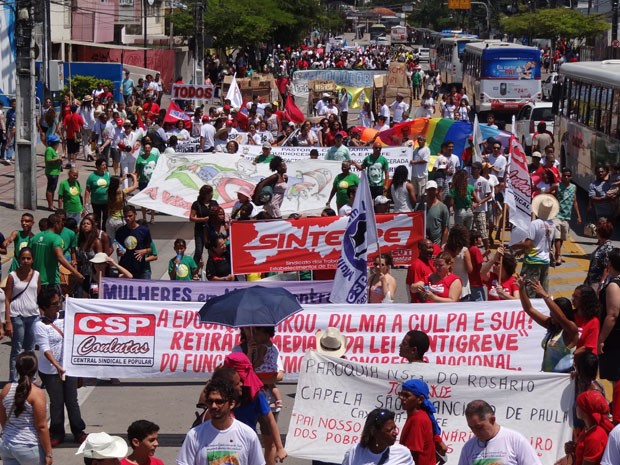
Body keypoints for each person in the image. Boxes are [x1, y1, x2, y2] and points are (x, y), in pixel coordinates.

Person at [34, 287, 87, 447]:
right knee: (57, 402)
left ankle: (78, 431)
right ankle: (57, 432)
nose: (59, 306)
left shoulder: (66, 317)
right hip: (50, 372)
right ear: (44, 308)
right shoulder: (39, 325)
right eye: (55, 304)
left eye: (60, 302)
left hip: (69, 368)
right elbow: (45, 348)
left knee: (72, 401)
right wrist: (57, 366)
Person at [178, 379, 266, 465]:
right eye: (210, 401)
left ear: (231, 404)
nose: (213, 406)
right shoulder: (194, 435)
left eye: (219, 402)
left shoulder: (248, 435)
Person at [0, 352, 53, 465]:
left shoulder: (6, 389)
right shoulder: (37, 393)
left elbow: (3, 419)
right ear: (35, 369)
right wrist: (48, 453)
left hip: (7, 445)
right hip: (29, 447)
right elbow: (41, 426)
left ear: (17, 368)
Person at [518, 275, 577, 372]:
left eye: (553, 313)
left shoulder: (571, 330)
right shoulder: (551, 324)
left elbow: (561, 317)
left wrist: (545, 295)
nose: (550, 315)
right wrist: (521, 289)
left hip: (563, 380)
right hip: (549, 378)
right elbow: (529, 309)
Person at [458, 400, 542, 465]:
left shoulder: (515, 440)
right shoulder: (468, 447)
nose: (475, 432)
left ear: (492, 420)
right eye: (471, 427)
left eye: (479, 427)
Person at [3, 248, 41, 382]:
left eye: (28, 258)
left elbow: (37, 294)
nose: (25, 261)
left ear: (32, 260)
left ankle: (29, 378)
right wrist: (7, 321)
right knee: (17, 350)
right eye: (23, 258)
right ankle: (14, 380)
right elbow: (6, 299)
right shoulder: (13, 276)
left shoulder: (36, 275)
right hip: (16, 316)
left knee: (30, 349)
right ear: (19, 259)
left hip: (33, 316)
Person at [511, 194, 558, 297]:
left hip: (533, 261)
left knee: (529, 291)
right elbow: (541, 243)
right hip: (545, 260)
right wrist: (522, 251)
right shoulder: (552, 225)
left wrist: (513, 245)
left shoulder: (535, 224)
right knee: (542, 290)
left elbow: (529, 244)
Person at [341, 408, 413, 465]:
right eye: (390, 430)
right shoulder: (356, 451)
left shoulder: (402, 454)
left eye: (395, 428)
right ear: (375, 432)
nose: (395, 433)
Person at [399, 379, 446, 465]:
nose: (402, 398)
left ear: (420, 399)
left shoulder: (418, 420)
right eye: (401, 394)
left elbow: (411, 454)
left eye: (407, 395)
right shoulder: (420, 416)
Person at [31, 214, 84, 288]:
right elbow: (60, 257)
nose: (62, 228)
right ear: (56, 224)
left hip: (35, 280)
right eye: (61, 224)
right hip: (50, 282)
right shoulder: (56, 238)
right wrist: (76, 273)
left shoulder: (35, 237)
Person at [561, 391, 614, 465]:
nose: (576, 407)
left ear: (585, 411)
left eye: (578, 405)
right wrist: (574, 449)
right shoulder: (588, 429)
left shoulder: (595, 437)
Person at [598, 247, 620, 424]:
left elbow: (612, 314)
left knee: (616, 379)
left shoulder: (614, 285)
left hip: (615, 339)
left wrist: (601, 339)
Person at [115, 205, 152, 280]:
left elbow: (150, 249)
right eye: (125, 216)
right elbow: (119, 248)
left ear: (135, 214)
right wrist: (119, 252)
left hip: (140, 267)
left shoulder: (144, 230)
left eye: (130, 216)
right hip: (125, 267)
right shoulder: (120, 231)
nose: (127, 218)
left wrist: (144, 251)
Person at [554, 167, 581, 266]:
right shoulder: (557, 186)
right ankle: (558, 256)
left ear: (571, 177)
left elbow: (575, 201)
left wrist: (578, 216)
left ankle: (557, 253)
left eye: (568, 176)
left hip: (567, 216)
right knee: (557, 236)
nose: (566, 177)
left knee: (562, 237)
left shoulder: (574, 187)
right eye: (564, 175)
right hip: (556, 214)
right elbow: (547, 193)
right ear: (561, 177)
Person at [444, 224, 473, 301]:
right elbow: (469, 269)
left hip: (448, 285)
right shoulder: (464, 251)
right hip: (463, 287)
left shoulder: (444, 248)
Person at [584, 217, 614, 289]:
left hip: (597, 283)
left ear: (599, 234)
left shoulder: (607, 248)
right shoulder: (601, 245)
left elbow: (607, 269)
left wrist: (601, 285)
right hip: (591, 280)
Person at [85, 159, 111, 231]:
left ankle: (104, 232)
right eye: (103, 165)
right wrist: (86, 203)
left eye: (105, 165)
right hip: (96, 202)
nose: (105, 166)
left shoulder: (108, 175)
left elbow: (112, 186)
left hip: (106, 201)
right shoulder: (92, 176)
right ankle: (97, 232)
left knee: (106, 218)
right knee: (97, 219)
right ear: (97, 166)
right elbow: (87, 190)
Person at [425, 181, 449, 247]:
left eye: (433, 190)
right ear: (426, 191)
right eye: (429, 190)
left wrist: (442, 245)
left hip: (436, 245)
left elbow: (446, 228)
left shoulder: (443, 207)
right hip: (423, 245)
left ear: (437, 190)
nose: (431, 192)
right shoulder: (420, 206)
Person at [44, 135, 63, 211]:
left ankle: (51, 204)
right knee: (50, 189)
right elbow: (48, 160)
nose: (58, 145)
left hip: (55, 172)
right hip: (51, 172)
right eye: (57, 143)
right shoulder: (49, 149)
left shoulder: (53, 150)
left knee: (53, 188)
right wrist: (57, 159)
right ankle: (50, 205)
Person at [410, 136, 430, 200]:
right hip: (414, 174)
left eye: (421, 140)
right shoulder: (415, 149)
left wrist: (415, 162)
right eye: (418, 140)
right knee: (414, 192)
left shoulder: (426, 149)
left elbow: (425, 160)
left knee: (422, 193)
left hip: (422, 175)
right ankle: (415, 206)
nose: (419, 141)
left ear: (424, 141)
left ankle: (421, 207)